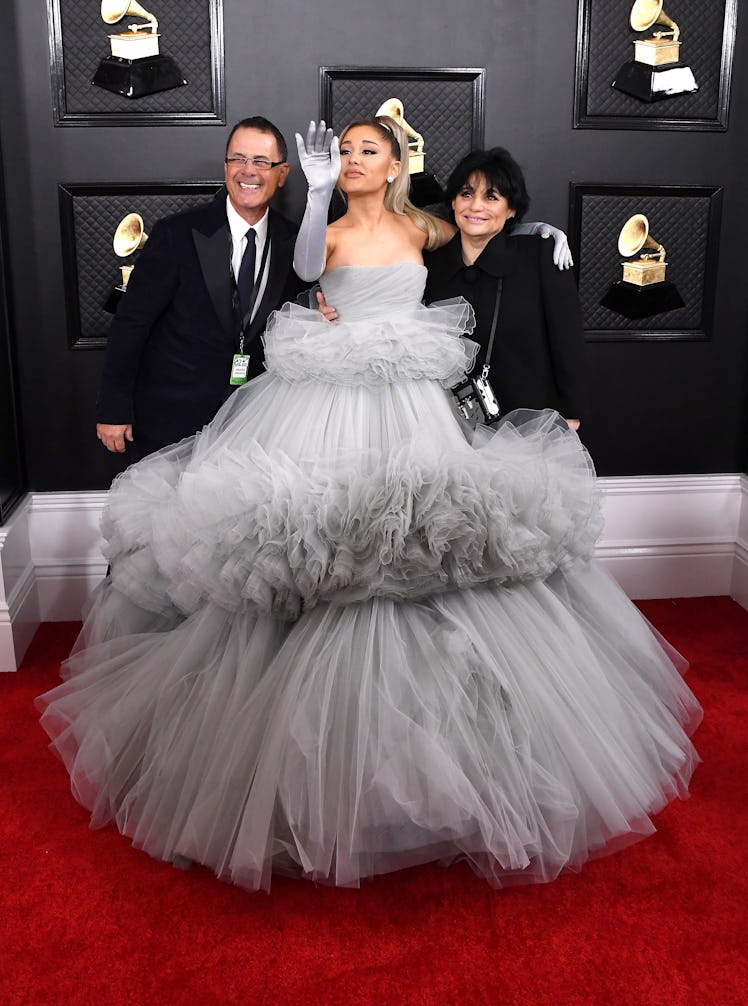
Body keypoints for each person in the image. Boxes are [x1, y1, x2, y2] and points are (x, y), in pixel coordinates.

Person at [37, 117, 701, 893]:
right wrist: (317, 192)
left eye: (366, 151)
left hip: (415, 401)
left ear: (397, 163)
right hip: (323, 401)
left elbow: (480, 230)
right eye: (343, 151)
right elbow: (308, 262)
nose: (352, 160)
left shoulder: (426, 227)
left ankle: (457, 757)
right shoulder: (317, 227)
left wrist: (537, 229)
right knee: (318, 546)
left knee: (429, 542)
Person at [96, 116, 303, 460]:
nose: (248, 170)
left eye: (262, 162)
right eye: (238, 158)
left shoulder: (295, 241)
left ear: (282, 174)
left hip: (254, 419)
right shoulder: (176, 233)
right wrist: (113, 408)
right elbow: (132, 322)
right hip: (172, 416)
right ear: (225, 167)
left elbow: (304, 312)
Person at [424, 147, 587, 429]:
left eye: (491, 197)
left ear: (511, 209)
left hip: (529, 417)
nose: (475, 206)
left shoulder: (541, 256)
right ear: (452, 202)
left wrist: (570, 412)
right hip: (448, 421)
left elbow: (567, 340)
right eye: (466, 194)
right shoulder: (430, 263)